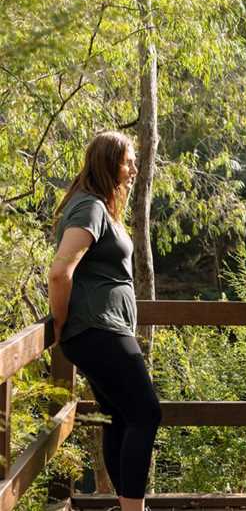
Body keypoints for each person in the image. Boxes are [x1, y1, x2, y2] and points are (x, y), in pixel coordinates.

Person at [48, 131, 161, 511]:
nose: (133, 169)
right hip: (97, 328)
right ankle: (133, 509)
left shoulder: (96, 207)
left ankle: (125, 504)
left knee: (121, 415)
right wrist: (61, 323)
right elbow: (60, 272)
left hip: (103, 328)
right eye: (128, 161)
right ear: (109, 162)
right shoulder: (91, 208)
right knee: (147, 412)